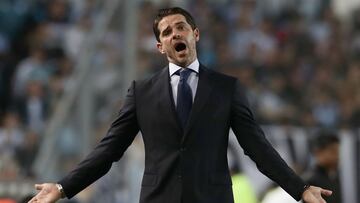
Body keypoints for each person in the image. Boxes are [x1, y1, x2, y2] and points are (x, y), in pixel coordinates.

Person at [29, 7, 332, 203]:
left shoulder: (226, 88)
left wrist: (300, 189)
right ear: (160, 46)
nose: (175, 33)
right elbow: (109, 150)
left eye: (181, 27)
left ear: (195, 34)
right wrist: (63, 187)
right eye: (166, 32)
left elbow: (258, 148)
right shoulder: (142, 92)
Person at [304, 131, 342, 203]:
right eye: (333, 151)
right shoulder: (309, 182)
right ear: (318, 152)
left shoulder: (338, 177)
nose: (337, 156)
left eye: (338, 152)